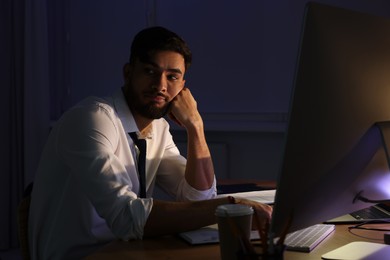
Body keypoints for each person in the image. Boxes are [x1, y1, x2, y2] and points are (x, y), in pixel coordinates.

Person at [28, 26, 272, 259]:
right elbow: (126, 217)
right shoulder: (92, 119)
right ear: (128, 72)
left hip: (127, 250)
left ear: (182, 87)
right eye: (150, 71)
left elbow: (199, 200)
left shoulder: (158, 129)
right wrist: (232, 205)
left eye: (172, 76)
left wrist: (195, 127)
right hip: (83, 255)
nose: (160, 86)